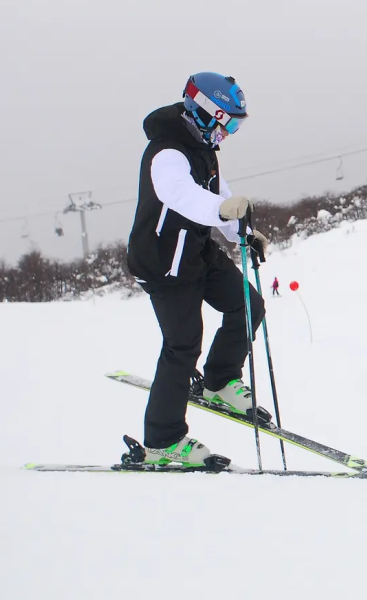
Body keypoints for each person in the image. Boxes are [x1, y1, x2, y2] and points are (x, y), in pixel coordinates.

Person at [126, 72, 267, 467]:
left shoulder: (203, 147)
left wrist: (243, 232)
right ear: (208, 112)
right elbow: (182, 196)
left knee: (248, 305)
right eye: (230, 122)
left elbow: (218, 195)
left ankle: (220, 380)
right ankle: (162, 439)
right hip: (163, 262)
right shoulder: (166, 151)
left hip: (197, 252)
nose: (231, 132)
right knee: (182, 345)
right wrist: (221, 210)